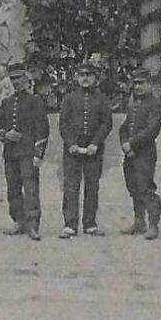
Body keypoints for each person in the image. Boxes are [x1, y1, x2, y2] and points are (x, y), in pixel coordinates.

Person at [0, 61, 50, 239]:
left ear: (26, 78)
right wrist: (5, 135)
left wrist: (39, 154)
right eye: (13, 79)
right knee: (13, 189)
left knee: (30, 188)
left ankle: (33, 224)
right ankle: (19, 221)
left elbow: (43, 129)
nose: (16, 82)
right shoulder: (7, 103)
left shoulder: (35, 101)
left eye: (18, 78)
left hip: (28, 153)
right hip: (11, 153)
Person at [59, 59, 113, 238]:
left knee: (92, 185)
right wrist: (71, 143)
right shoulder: (69, 99)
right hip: (73, 149)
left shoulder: (102, 99)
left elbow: (106, 123)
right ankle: (70, 224)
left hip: (93, 149)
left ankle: (90, 223)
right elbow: (64, 123)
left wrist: (95, 143)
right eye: (81, 75)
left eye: (89, 75)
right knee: (71, 186)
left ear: (96, 78)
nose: (85, 79)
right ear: (76, 78)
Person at [120, 67, 161, 240]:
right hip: (130, 154)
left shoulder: (155, 105)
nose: (137, 87)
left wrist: (131, 144)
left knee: (146, 188)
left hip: (145, 154)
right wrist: (124, 143)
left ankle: (153, 225)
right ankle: (139, 222)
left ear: (149, 84)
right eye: (135, 83)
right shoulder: (133, 103)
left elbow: (151, 130)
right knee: (133, 187)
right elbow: (125, 127)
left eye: (141, 83)